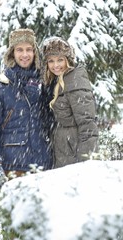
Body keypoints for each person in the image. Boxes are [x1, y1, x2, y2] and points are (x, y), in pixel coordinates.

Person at [0, 28, 53, 189]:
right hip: (13, 168)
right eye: (19, 50)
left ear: (35, 52)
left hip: (43, 166)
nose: (25, 54)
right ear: (12, 53)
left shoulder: (45, 82)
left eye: (29, 49)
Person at [41, 36, 98, 168]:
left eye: (60, 60)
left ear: (68, 60)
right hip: (63, 153)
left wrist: (85, 162)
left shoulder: (75, 81)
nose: (55, 65)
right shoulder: (54, 82)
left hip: (74, 155)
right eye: (51, 61)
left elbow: (87, 125)